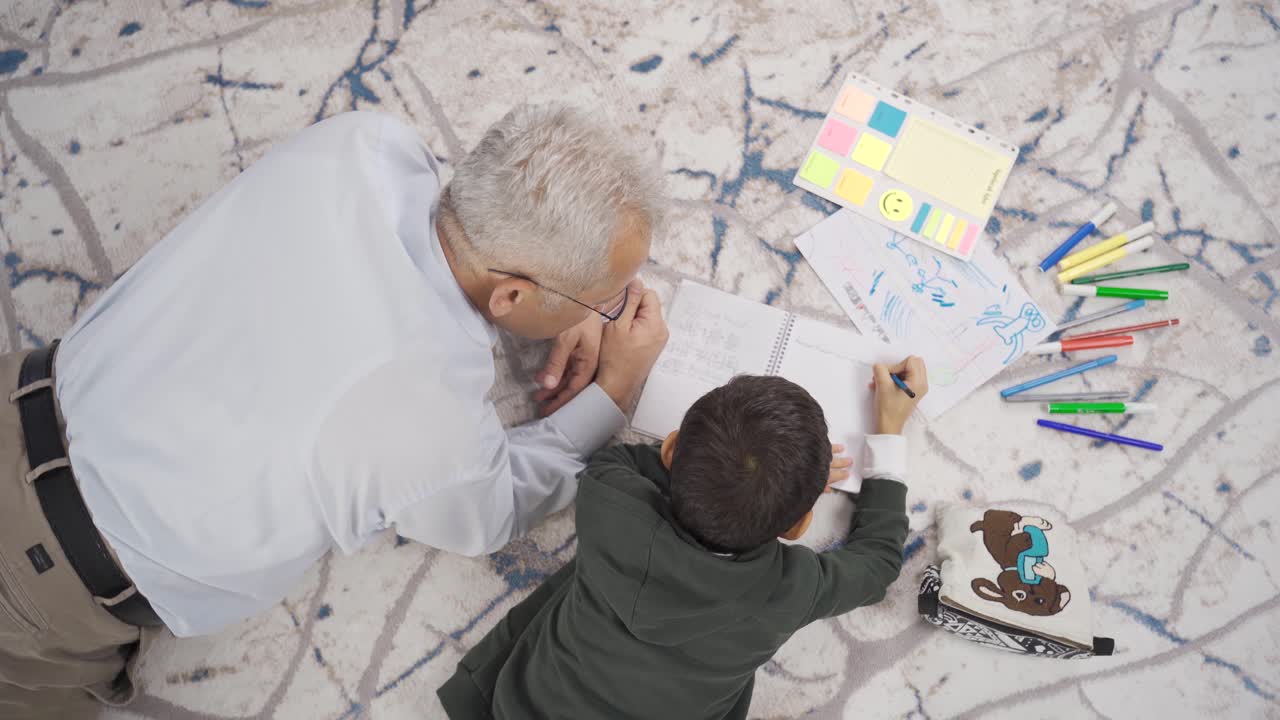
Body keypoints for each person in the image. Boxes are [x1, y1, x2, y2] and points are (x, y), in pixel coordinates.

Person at [0, 106, 669, 719]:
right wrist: (614, 390)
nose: (608, 311)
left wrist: (565, 299)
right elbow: (492, 510)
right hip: (42, 600)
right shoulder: (421, 400)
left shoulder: (366, 142)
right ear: (513, 295)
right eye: (606, 299)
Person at [437, 357, 927, 719]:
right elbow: (879, 563)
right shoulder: (792, 590)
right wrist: (887, 433)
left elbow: (623, 461)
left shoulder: (607, 497)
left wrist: (704, 466)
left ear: (670, 450)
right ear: (798, 527)